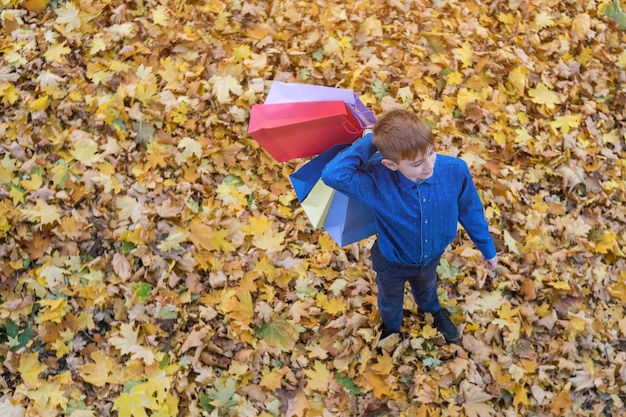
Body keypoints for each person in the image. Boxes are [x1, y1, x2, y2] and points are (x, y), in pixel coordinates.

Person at [321, 109, 498, 343]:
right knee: (389, 297)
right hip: (392, 261)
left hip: (432, 255)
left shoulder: (455, 171)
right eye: (416, 163)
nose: (428, 166)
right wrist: (371, 141)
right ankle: (392, 326)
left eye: (431, 153)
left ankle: (432, 312)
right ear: (391, 164)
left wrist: (487, 247)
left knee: (427, 287)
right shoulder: (377, 181)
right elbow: (333, 175)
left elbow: (471, 210)